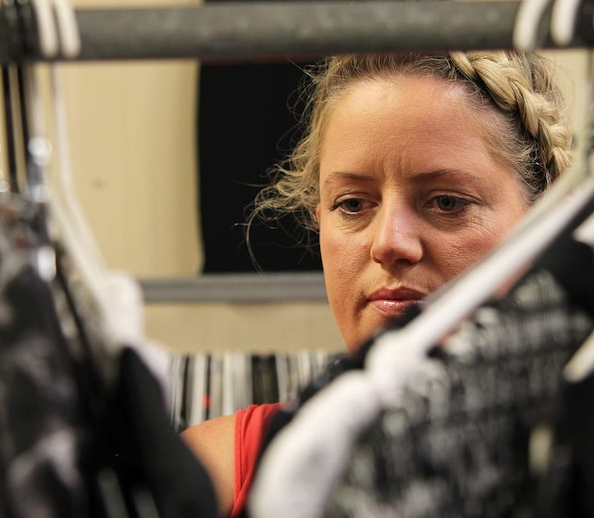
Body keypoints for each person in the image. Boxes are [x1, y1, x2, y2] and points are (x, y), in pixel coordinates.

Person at [181, 50, 573, 517]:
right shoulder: (218, 472)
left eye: (446, 202)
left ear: (542, 224)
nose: (389, 243)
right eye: (351, 204)